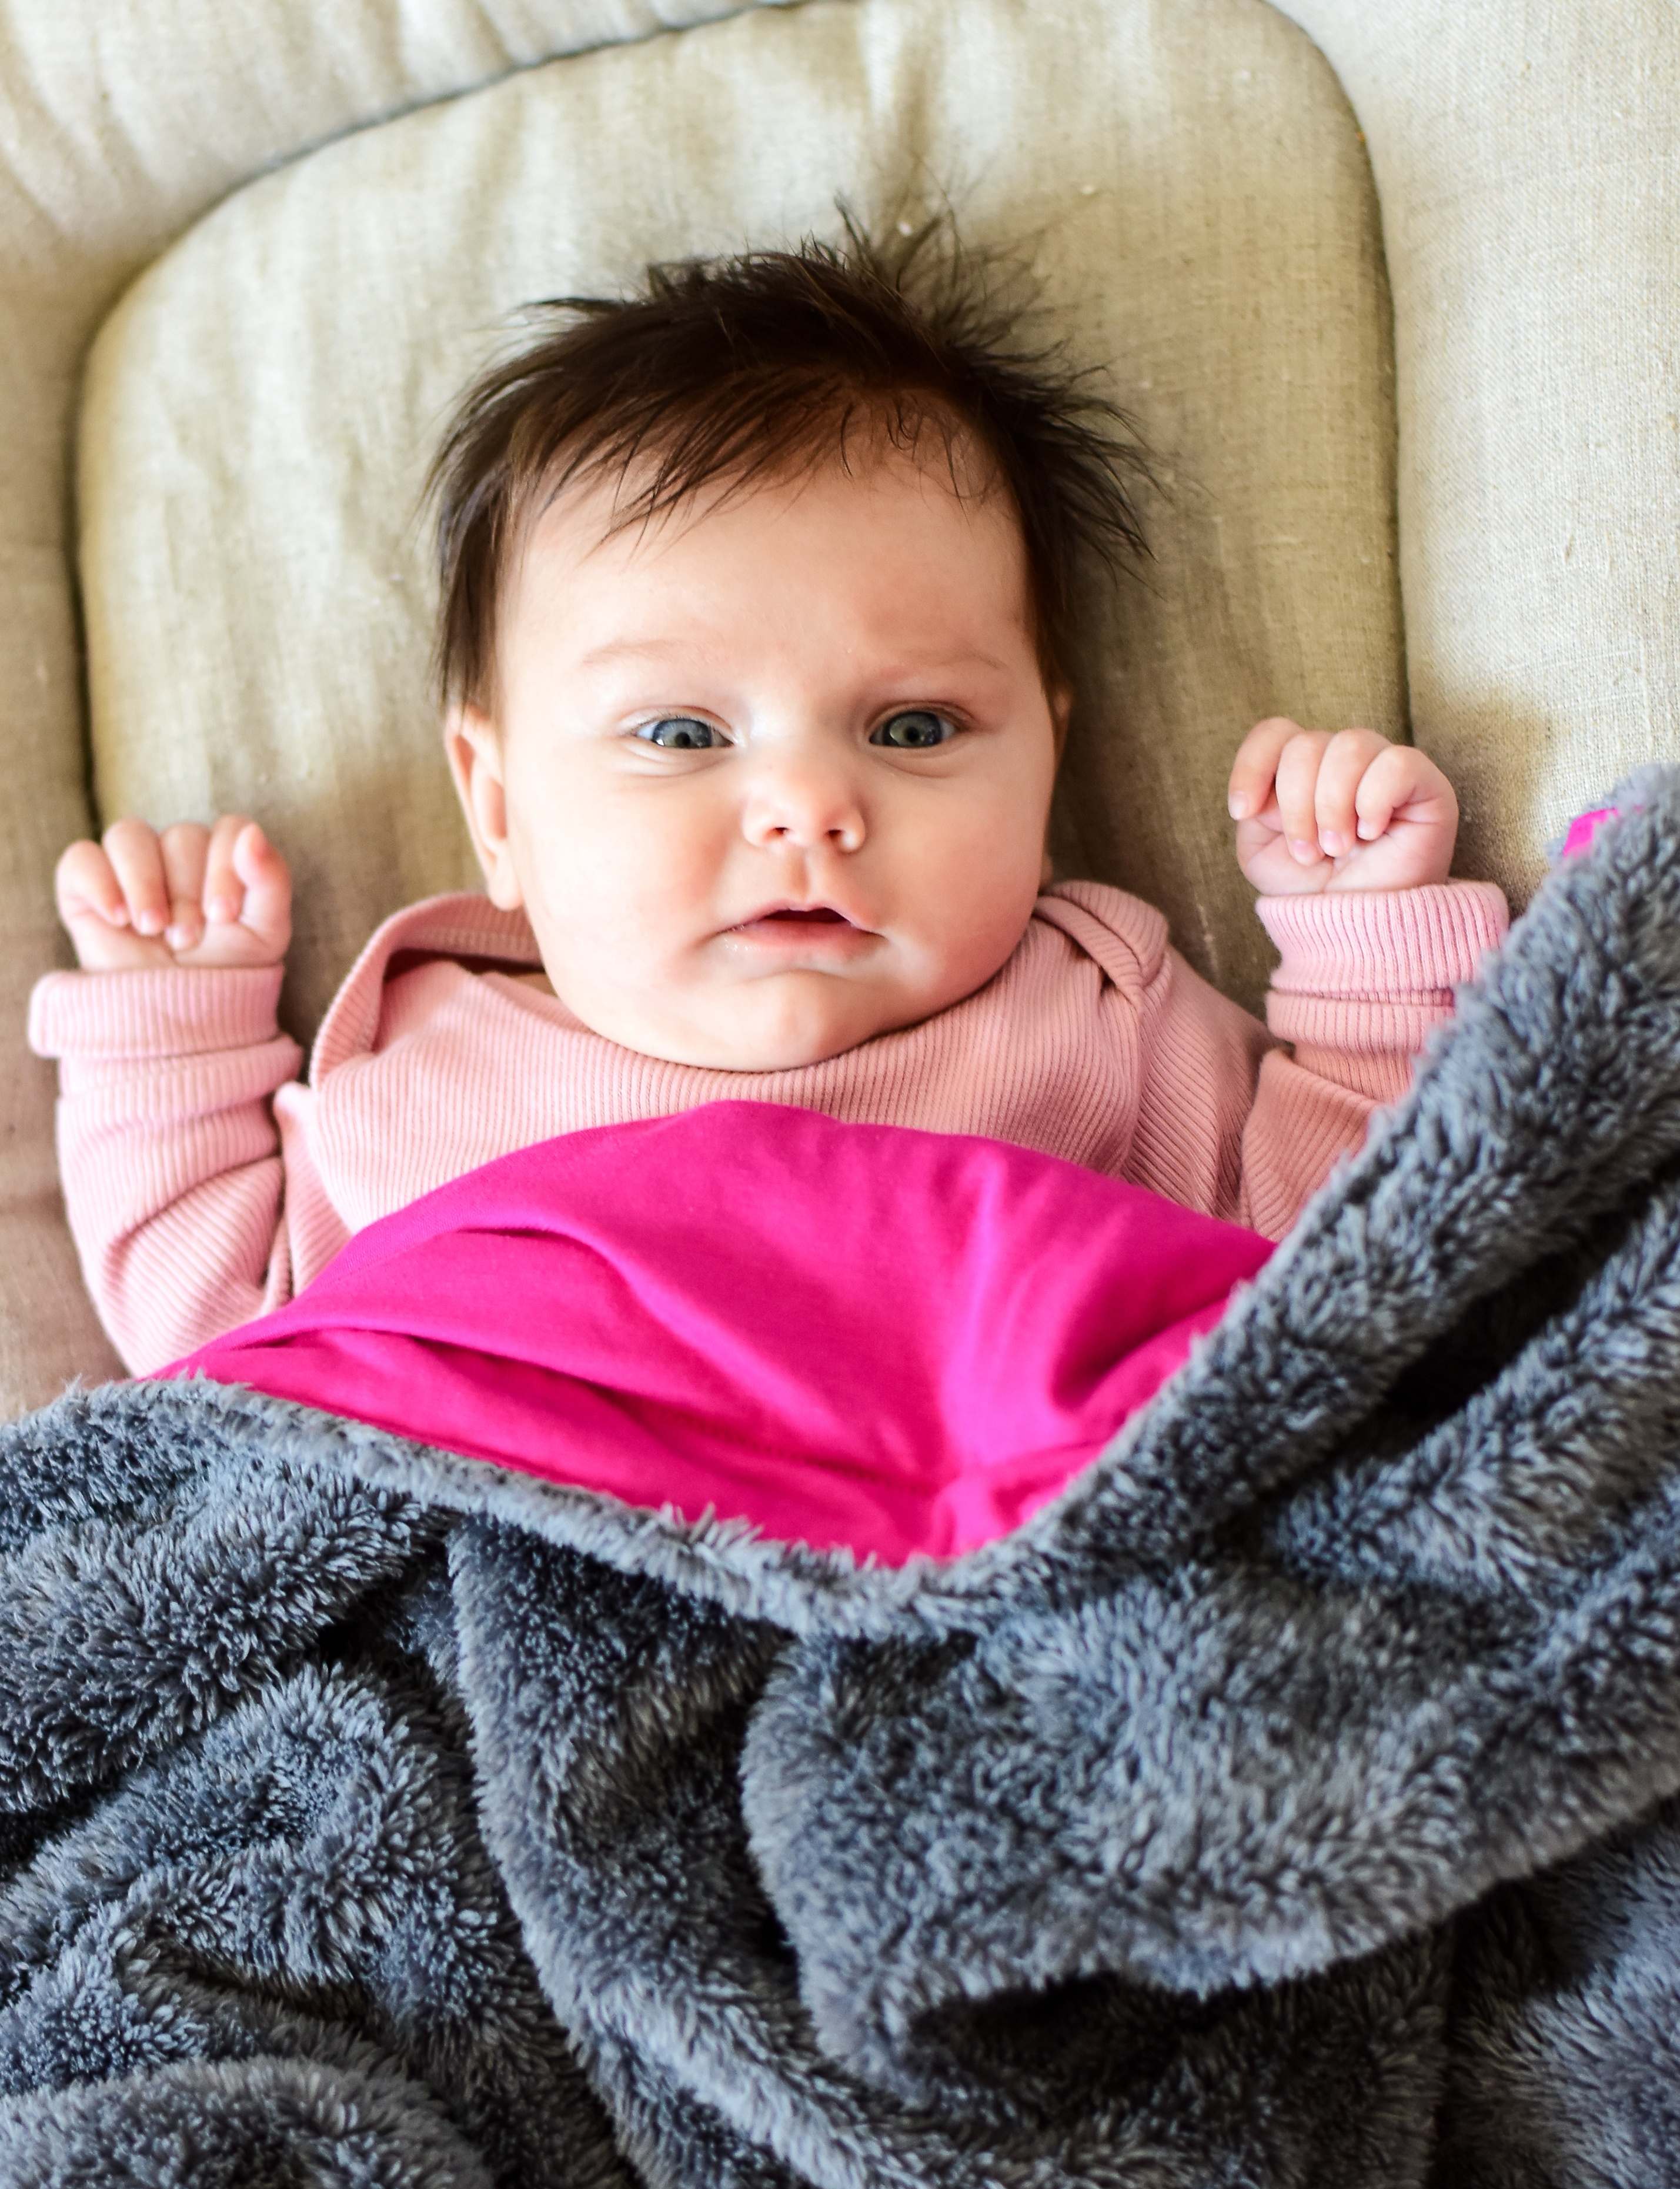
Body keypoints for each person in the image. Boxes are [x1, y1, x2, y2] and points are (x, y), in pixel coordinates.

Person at [31, 232, 1507, 1376]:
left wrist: (1361, 958)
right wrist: (179, 1033)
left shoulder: (1093, 1023)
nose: (806, 804)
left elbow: (1337, 1274)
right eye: (680, 732)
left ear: (1047, 764)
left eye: (915, 725)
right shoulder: (421, 1071)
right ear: (497, 804)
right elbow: (219, 1338)